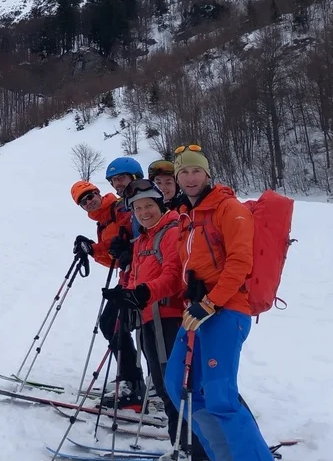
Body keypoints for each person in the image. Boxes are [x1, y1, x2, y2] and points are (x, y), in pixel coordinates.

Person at [161, 145, 270, 461]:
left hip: (226, 310)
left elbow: (240, 261)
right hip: (196, 312)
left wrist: (211, 301)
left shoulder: (228, 208)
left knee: (220, 395)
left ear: (207, 174)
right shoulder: (188, 217)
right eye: (183, 172)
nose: (190, 177)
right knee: (180, 387)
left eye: (196, 171)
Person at [102, 180, 209, 461]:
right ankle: (185, 447)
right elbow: (138, 276)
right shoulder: (144, 239)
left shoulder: (171, 232)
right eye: (138, 208)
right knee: (164, 387)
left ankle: (191, 450)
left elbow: (174, 276)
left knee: (174, 388)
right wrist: (124, 295)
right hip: (150, 320)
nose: (144, 211)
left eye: (149, 205)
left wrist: (144, 293)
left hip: (169, 320)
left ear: (161, 205)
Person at [72, 157, 146, 409]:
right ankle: (134, 383)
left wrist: (99, 248)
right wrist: (93, 250)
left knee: (114, 324)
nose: (89, 201)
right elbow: (114, 255)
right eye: (83, 201)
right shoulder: (104, 218)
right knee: (113, 324)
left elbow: (137, 239)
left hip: (142, 277)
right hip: (129, 275)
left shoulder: (122, 207)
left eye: (90, 195)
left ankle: (134, 385)